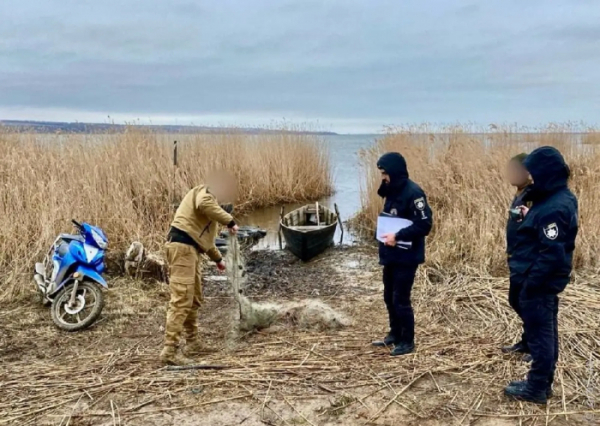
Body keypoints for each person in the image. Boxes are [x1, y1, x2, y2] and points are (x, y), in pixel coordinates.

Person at [504, 146, 578, 404]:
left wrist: (532, 284)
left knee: (541, 337)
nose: (530, 179)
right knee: (544, 333)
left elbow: (552, 254)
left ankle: (536, 388)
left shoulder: (554, 207)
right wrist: (531, 216)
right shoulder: (553, 199)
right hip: (537, 278)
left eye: (533, 174)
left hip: (539, 282)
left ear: (545, 174)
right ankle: (540, 384)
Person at [160, 172, 239, 366]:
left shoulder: (208, 213)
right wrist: (230, 221)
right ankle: (170, 351)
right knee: (181, 299)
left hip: (191, 250)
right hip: (182, 248)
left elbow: (206, 242)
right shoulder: (204, 192)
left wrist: (218, 260)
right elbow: (205, 204)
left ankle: (193, 343)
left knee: (193, 298)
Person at [371, 152, 433, 356]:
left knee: (401, 299)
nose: (383, 177)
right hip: (391, 253)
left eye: (385, 173)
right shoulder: (392, 189)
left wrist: (398, 235)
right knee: (388, 296)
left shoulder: (414, 193)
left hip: (407, 256)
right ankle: (395, 333)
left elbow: (424, 224)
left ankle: (408, 341)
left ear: (394, 172)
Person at [502, 153, 532, 360]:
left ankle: (536, 345)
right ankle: (527, 340)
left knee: (527, 302)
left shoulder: (533, 195)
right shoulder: (520, 193)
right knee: (516, 299)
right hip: (515, 256)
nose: (510, 174)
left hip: (527, 259)